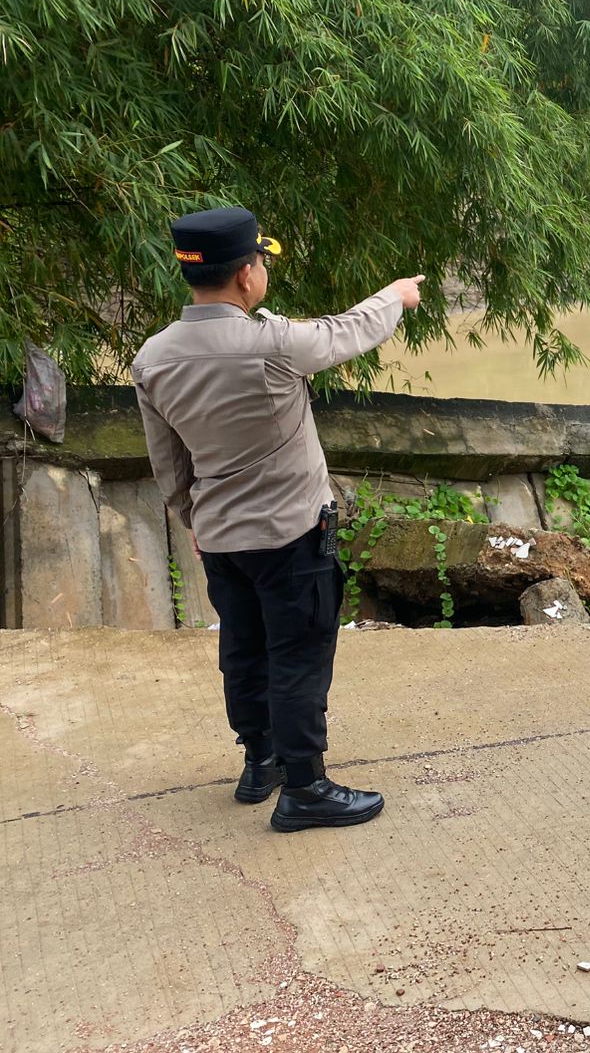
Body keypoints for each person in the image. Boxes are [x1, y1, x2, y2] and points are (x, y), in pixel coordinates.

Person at [131, 206, 424, 832]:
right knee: (298, 654)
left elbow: (168, 461)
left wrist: (195, 518)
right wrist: (396, 296)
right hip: (292, 536)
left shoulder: (152, 358)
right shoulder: (272, 343)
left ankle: (259, 762)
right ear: (246, 275)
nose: (263, 270)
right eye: (261, 261)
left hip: (221, 539)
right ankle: (306, 788)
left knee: (244, 649)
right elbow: (346, 332)